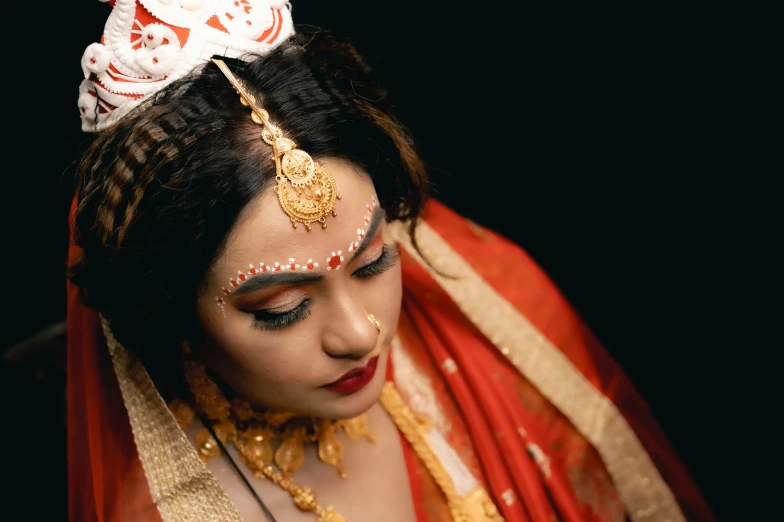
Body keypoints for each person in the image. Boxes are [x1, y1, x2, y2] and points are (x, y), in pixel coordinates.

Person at [66, 1, 716, 521]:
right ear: (170, 313)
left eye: (374, 262)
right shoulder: (173, 509)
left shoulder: (484, 318)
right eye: (281, 309)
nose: (361, 333)